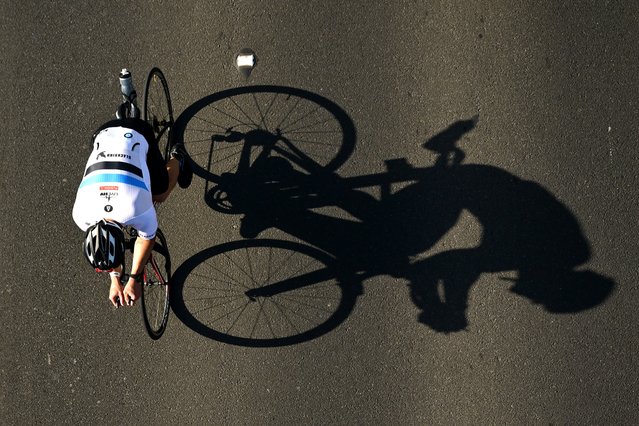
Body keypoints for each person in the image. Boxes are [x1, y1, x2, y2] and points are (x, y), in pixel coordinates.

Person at [72, 116, 192, 308]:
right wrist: (115, 281)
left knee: (159, 193)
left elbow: (147, 239)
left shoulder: (135, 209)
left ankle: (178, 159)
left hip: (137, 131)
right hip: (102, 133)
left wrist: (134, 279)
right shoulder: (80, 215)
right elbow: (108, 248)